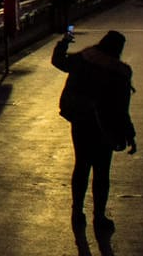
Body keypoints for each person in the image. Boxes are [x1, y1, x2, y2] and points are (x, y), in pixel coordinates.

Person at [53, 28, 136, 233]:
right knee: (101, 172)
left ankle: (77, 212)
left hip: (80, 121)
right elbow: (121, 109)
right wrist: (130, 134)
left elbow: (58, 61)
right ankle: (99, 217)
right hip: (105, 127)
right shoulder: (120, 72)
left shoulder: (83, 58)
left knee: (81, 166)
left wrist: (64, 42)